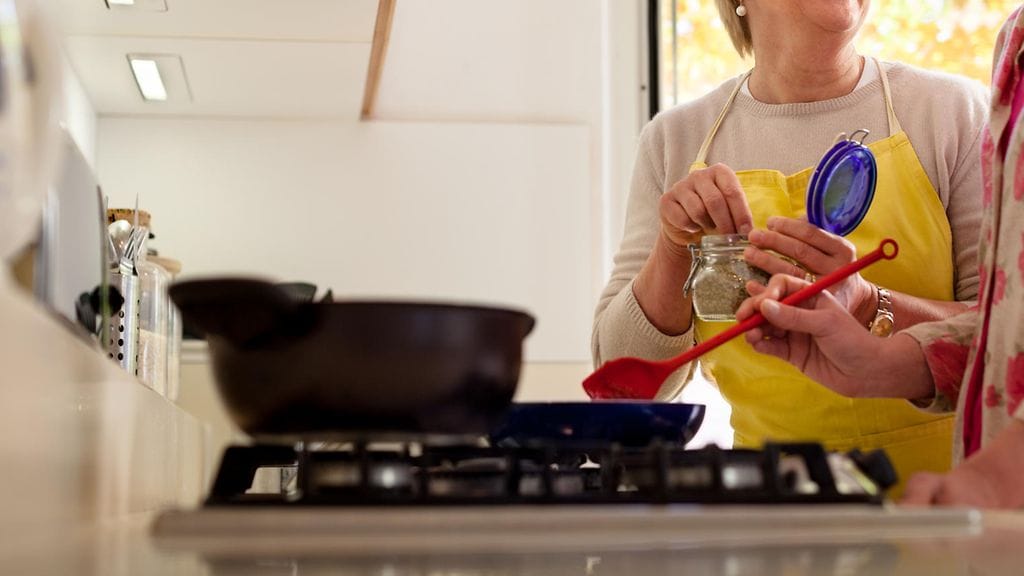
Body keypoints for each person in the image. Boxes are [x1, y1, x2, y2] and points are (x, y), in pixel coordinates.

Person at [592, 0, 988, 496]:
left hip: (941, 506)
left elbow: (1002, 341)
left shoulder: (955, 113)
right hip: (769, 513)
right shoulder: (675, 141)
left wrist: (869, 304)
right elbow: (622, 386)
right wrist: (673, 252)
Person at [737, 6, 1024, 508]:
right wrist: (883, 360)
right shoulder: (1014, 45)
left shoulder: (954, 107)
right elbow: (1007, 329)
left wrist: (1003, 473)